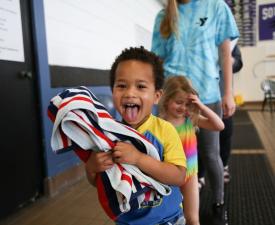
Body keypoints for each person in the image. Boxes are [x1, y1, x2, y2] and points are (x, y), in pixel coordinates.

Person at [151, 0, 239, 224]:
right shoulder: (164, 16)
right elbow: (157, 62)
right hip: (171, 98)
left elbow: (225, 52)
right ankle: (174, 206)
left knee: (210, 154)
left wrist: (228, 92)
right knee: (168, 154)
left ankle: (218, 205)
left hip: (206, 94)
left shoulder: (216, 6)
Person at [85, 47, 187, 225]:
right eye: (122, 86)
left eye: (141, 86)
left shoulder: (165, 130)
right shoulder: (107, 136)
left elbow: (178, 176)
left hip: (168, 220)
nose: (130, 93)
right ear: (113, 91)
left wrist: (138, 158)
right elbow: (101, 184)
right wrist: (92, 167)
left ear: (156, 96)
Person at [159, 76, 224, 225]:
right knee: (172, 219)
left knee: (193, 219)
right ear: (166, 99)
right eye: (178, 102)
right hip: (169, 177)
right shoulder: (160, 124)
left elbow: (219, 125)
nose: (183, 107)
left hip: (189, 176)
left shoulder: (191, 119)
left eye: (187, 104)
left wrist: (201, 106)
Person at [220, 44, 243, 183]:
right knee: (200, 135)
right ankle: (201, 173)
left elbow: (239, 62)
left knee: (225, 132)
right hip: (201, 93)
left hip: (223, 93)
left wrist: (230, 61)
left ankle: (223, 166)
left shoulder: (228, 39)